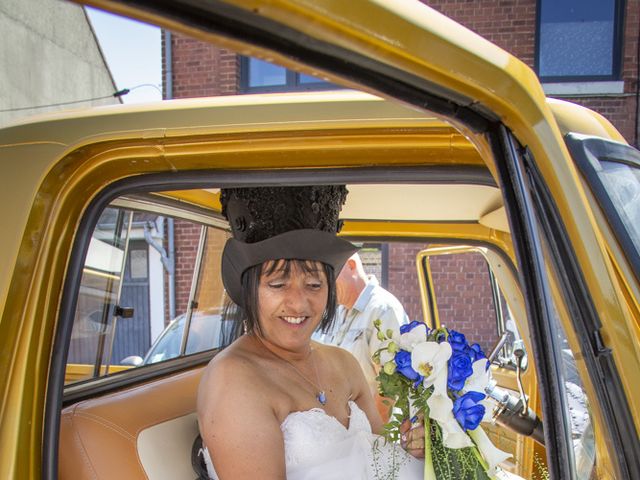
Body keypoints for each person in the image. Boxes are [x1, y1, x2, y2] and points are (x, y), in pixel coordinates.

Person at [197, 185, 425, 480]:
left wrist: (409, 450)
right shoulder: (233, 380)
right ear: (250, 288)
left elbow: (380, 460)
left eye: (314, 285)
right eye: (278, 284)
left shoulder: (344, 363)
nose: (299, 303)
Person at [315, 252, 409, 416]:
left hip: (370, 432)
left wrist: (372, 434)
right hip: (344, 429)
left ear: (351, 265)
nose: (325, 286)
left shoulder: (383, 310)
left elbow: (391, 386)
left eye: (330, 276)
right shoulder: (336, 313)